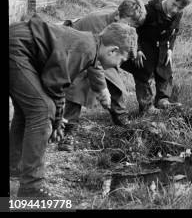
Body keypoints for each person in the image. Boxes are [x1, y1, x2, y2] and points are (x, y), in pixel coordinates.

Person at [9, 16, 137, 199]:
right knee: (42, 110)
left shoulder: (90, 45)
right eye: (121, 60)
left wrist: (58, 118)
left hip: (17, 43)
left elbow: (90, 70)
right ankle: (31, 189)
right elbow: (55, 85)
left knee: (27, 111)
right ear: (113, 50)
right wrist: (57, 120)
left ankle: (14, 167)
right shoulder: (84, 49)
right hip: (16, 49)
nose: (119, 65)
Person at [58, 0, 146, 152]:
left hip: (98, 54)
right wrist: (102, 90)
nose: (129, 27)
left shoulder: (119, 17)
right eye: (128, 24)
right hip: (75, 51)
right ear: (118, 15)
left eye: (133, 26)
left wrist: (136, 49)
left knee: (113, 79)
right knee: (79, 86)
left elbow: (126, 34)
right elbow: (94, 64)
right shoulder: (97, 25)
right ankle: (68, 131)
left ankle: (120, 116)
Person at [122, 0, 192, 113]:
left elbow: (174, 31)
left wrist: (170, 49)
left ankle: (162, 100)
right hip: (143, 44)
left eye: (179, 8)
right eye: (174, 4)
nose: (174, 10)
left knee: (165, 71)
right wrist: (137, 49)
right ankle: (147, 106)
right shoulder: (148, 10)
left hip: (162, 45)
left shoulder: (178, 13)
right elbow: (132, 29)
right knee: (143, 73)